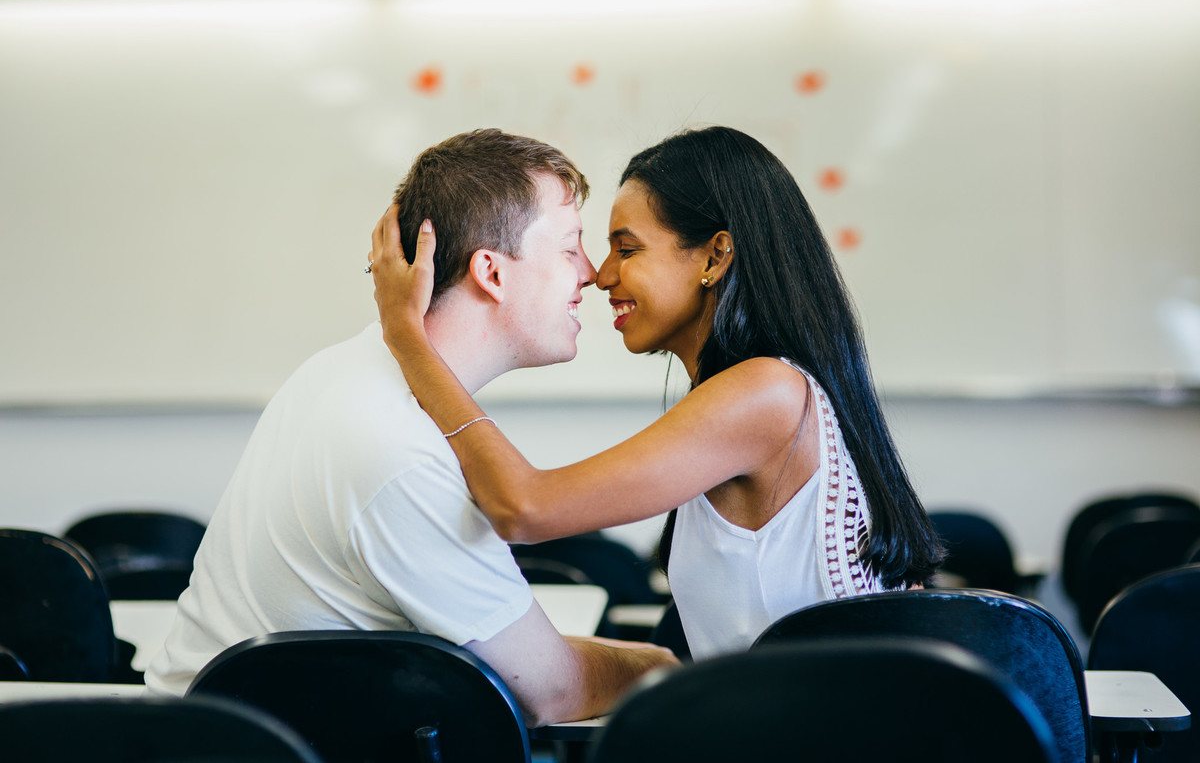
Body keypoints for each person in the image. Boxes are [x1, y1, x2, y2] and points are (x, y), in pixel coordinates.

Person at [145, 129, 677, 724]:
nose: (593, 274)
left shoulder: (340, 372)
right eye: (570, 247)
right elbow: (547, 689)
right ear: (491, 272)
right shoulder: (397, 448)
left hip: (212, 735)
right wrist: (660, 666)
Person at [370, 125, 945, 661]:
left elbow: (524, 510)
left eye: (628, 249)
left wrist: (409, 338)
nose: (601, 275)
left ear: (715, 256)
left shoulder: (766, 392)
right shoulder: (760, 388)